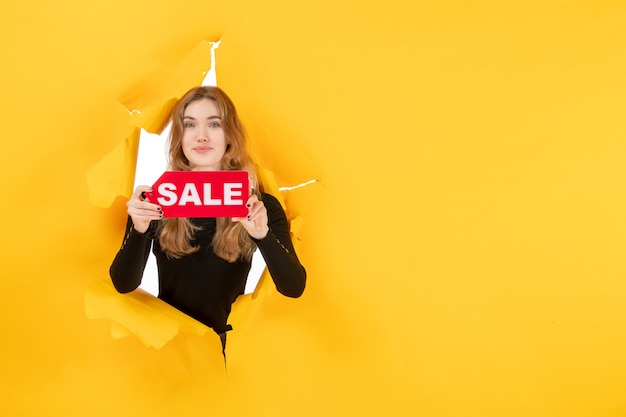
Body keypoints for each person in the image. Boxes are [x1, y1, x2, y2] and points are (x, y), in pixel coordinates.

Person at [109, 86, 306, 352]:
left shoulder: (257, 204)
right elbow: (123, 283)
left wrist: (262, 234)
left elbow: (293, 286)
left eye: (214, 124)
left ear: (229, 136)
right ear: (180, 137)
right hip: (171, 351)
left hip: (229, 351)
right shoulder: (157, 201)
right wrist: (139, 228)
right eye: (190, 125)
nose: (201, 136)